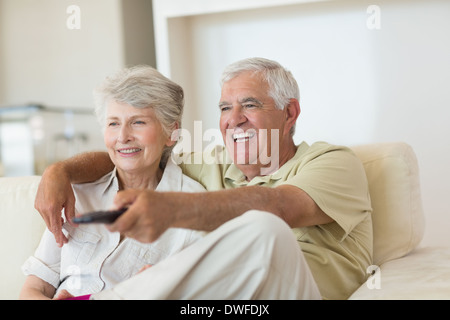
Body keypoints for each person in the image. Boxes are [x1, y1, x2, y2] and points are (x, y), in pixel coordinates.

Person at [34, 57, 373, 300]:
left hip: (298, 293)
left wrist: (172, 209)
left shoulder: (333, 162)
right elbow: (133, 156)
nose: (234, 120)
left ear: (290, 113)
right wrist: (59, 172)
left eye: (249, 105)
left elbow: (280, 206)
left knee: (266, 228)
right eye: (225, 108)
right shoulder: (208, 166)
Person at [20, 65, 206, 299]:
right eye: (113, 123)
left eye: (138, 122)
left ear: (171, 133)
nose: (123, 136)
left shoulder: (192, 207)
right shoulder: (78, 192)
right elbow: (35, 288)